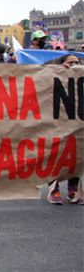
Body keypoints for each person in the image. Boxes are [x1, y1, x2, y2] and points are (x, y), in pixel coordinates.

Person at [47, 53, 83, 205]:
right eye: (70, 62)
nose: (74, 65)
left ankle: (73, 189)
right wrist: (58, 71)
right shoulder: (53, 76)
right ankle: (53, 188)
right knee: (56, 156)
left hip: (77, 124)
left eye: (77, 62)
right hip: (58, 123)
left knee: (76, 156)